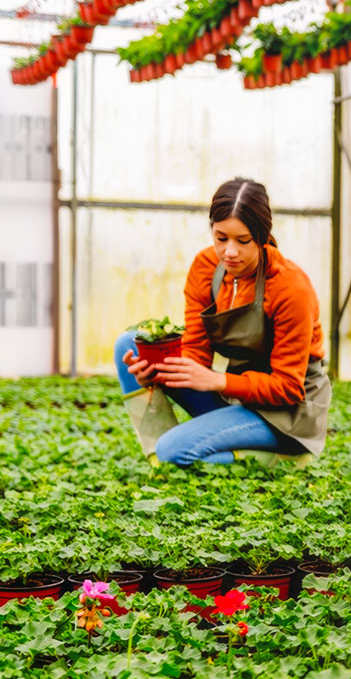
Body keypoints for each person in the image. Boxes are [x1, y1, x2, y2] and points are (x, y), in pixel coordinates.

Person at [115, 177, 331, 466]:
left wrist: (217, 381)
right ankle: (165, 462)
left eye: (243, 241)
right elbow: (195, 352)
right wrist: (155, 375)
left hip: (286, 413)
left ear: (263, 235)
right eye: (221, 238)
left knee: (174, 450)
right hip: (234, 396)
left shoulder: (291, 288)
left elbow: (288, 388)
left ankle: (285, 457)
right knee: (128, 345)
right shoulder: (205, 268)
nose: (229, 252)